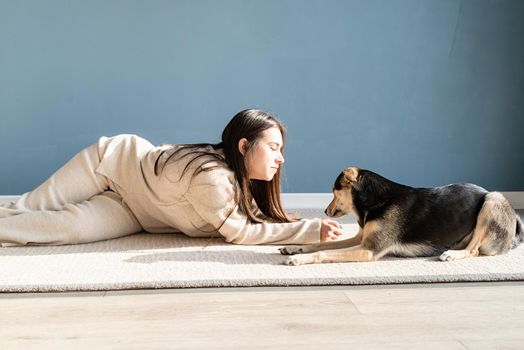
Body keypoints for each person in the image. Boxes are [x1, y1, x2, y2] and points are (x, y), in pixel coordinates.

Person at [0, 109, 343, 247]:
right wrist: (309, 230)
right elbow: (241, 233)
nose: (281, 158)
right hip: (113, 163)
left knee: (67, 230)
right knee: (29, 207)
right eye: (273, 147)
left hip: (137, 211)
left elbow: (252, 220)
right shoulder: (213, 178)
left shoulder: (243, 189)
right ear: (243, 146)